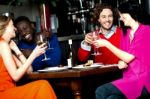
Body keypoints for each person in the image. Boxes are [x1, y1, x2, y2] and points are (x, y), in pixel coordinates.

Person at [95, 1, 150, 99]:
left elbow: (128, 58)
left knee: (101, 91)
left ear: (131, 13)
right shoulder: (125, 33)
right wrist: (121, 61)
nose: (120, 18)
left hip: (142, 79)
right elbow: (123, 56)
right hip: (128, 78)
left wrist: (107, 44)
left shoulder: (146, 31)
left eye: (122, 14)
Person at [0, 15, 57, 99]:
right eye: (12, 25)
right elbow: (15, 76)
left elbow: (29, 70)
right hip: (4, 93)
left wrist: (16, 50)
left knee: (43, 85)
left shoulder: (6, 47)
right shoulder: (2, 44)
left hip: (10, 91)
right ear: (5, 28)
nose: (15, 29)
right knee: (42, 86)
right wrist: (33, 54)